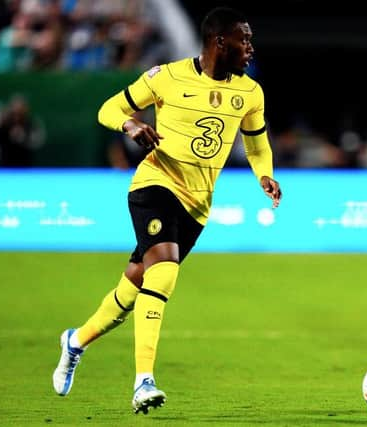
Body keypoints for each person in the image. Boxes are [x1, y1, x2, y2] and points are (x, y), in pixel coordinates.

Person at [52, 6, 282, 415]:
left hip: (197, 204)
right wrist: (132, 125)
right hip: (154, 184)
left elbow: (256, 141)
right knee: (164, 270)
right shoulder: (167, 77)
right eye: (243, 39)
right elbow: (109, 109)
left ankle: (75, 341)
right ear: (218, 42)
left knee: (133, 287)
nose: (249, 47)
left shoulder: (250, 92)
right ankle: (143, 381)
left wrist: (264, 175)